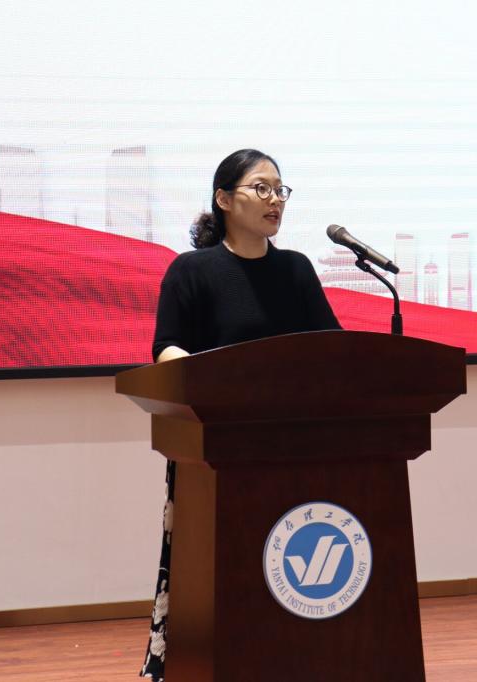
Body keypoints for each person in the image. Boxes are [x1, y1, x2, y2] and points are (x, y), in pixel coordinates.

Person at [141, 149, 341, 681]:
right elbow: (167, 348)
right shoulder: (192, 271)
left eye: (280, 189)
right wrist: (209, 378)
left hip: (294, 448)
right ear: (224, 200)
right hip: (216, 448)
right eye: (261, 188)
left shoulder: (295, 269)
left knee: (289, 567)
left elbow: (332, 349)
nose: (275, 199)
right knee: (218, 569)